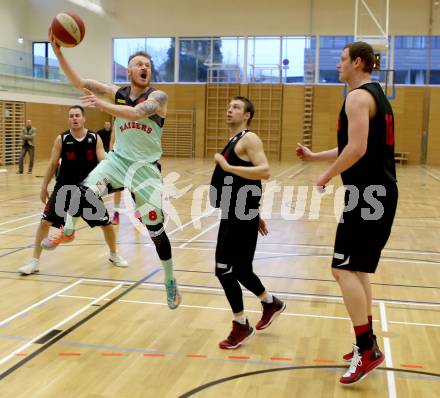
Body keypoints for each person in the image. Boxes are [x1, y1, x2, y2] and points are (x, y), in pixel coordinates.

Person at [49, 31, 181, 309]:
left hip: (146, 170)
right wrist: (59, 52)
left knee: (155, 230)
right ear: (129, 70)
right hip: (118, 161)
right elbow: (80, 82)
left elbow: (135, 113)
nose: (145, 67)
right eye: (139, 64)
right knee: (85, 189)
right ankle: (69, 228)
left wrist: (101, 104)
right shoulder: (117, 92)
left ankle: (170, 281)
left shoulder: (158, 96)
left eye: (148, 64)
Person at [296, 41, 398, 384]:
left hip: (367, 195)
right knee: (357, 270)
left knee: (341, 269)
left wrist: (325, 176)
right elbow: (352, 146)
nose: (338, 64)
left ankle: (365, 348)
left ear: (357, 62)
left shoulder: (356, 97)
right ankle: (367, 343)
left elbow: (357, 149)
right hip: (378, 193)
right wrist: (315, 158)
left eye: (342, 59)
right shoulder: (376, 95)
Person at [210, 96, 286, 349]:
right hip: (238, 213)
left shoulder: (249, 139)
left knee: (224, 270)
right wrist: (255, 214)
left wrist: (228, 167)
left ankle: (241, 324)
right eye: (228, 105)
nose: (229, 109)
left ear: (247, 115)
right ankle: (270, 302)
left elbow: (264, 171)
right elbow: (247, 183)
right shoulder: (234, 141)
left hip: (239, 215)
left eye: (236, 107)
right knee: (240, 269)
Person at [18, 106, 127, 275]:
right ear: (68, 119)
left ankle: (114, 255)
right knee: (44, 222)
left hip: (87, 190)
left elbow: (104, 163)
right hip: (63, 189)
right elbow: (53, 164)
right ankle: (34, 261)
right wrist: (43, 186)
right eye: (71, 116)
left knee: (106, 224)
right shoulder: (61, 139)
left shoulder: (94, 138)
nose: (74, 118)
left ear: (83, 119)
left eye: (77, 115)